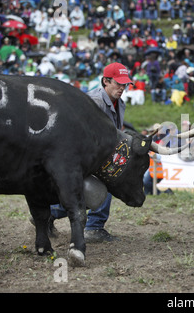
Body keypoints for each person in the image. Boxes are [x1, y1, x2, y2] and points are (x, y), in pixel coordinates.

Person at [51, 62, 133, 243]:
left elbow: (114, 131)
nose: (122, 88)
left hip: (98, 153)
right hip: (84, 153)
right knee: (104, 183)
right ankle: (94, 227)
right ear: (106, 81)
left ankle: (49, 212)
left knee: (86, 192)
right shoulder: (93, 102)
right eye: (118, 83)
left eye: (124, 84)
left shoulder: (120, 103)